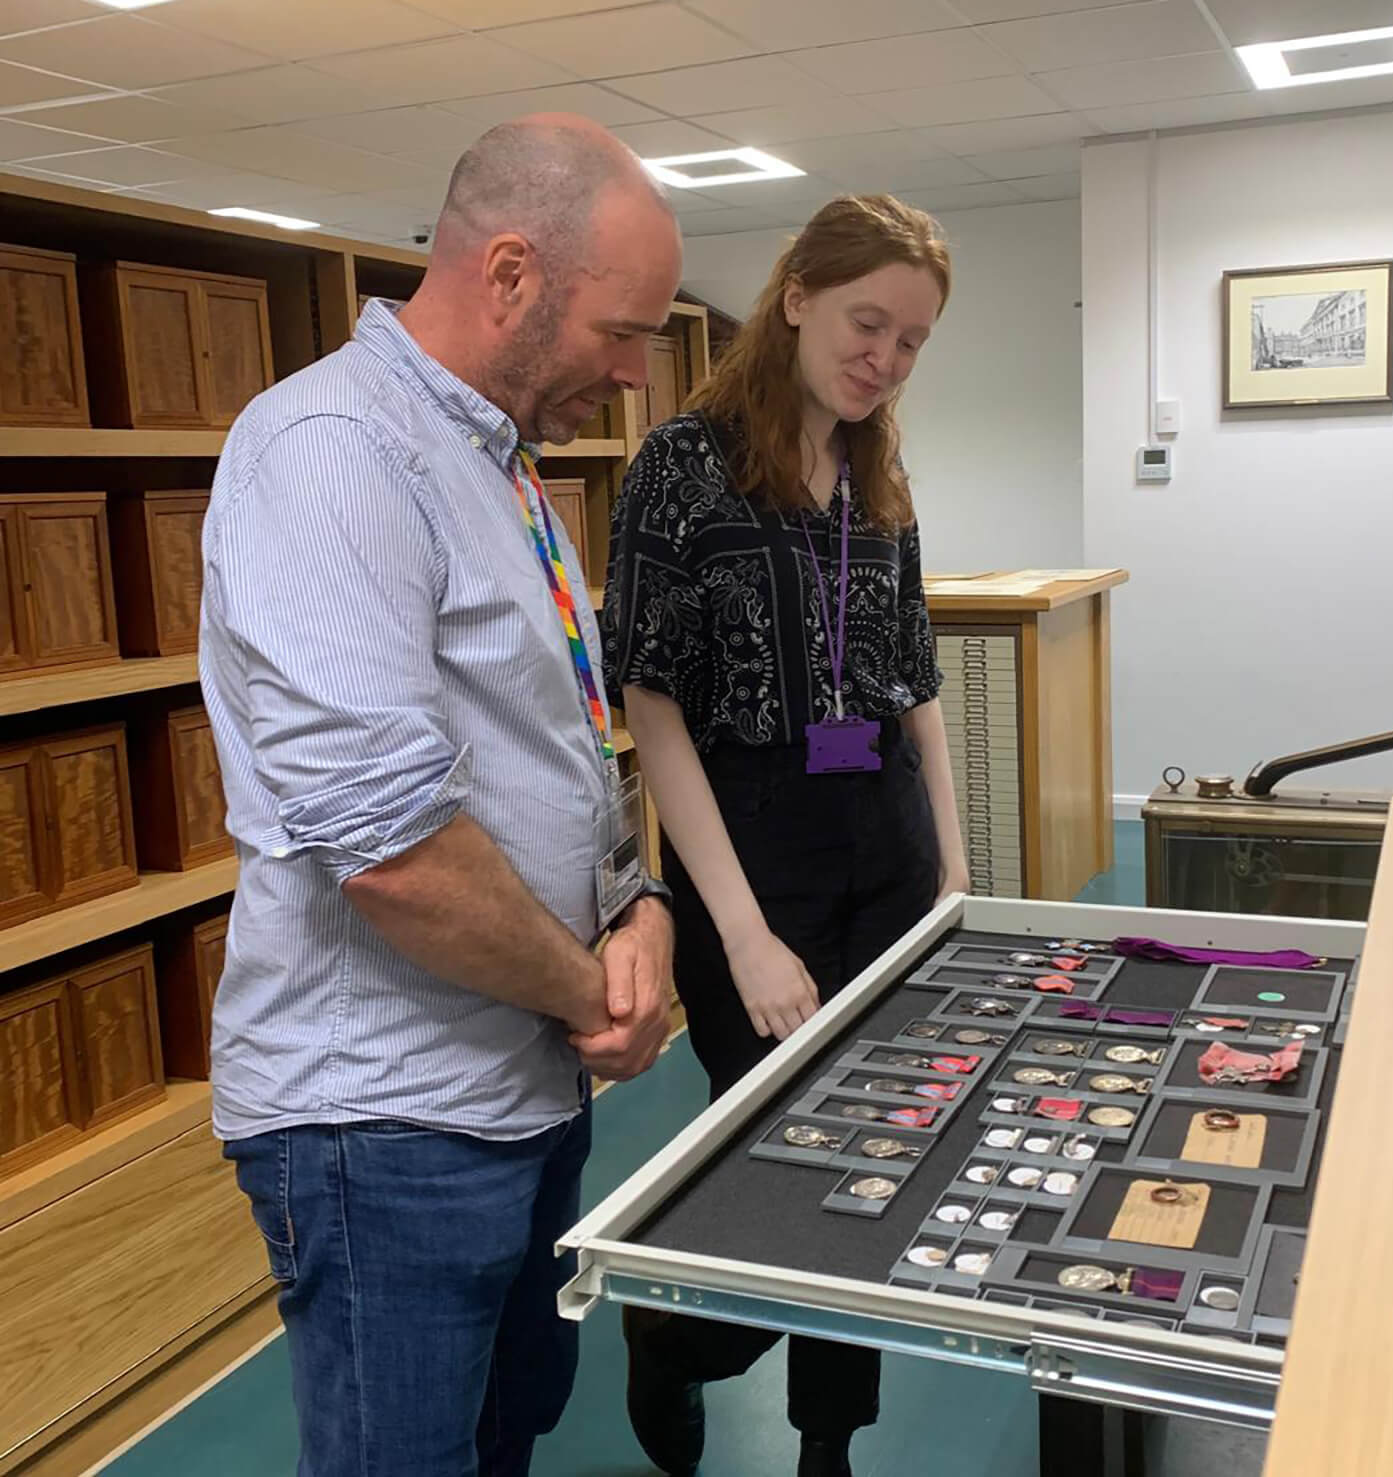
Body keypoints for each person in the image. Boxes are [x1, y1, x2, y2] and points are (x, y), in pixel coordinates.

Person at [199, 115, 682, 1477]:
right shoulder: (333, 453)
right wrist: (595, 994)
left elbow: (563, 742)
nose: (640, 377)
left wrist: (637, 907)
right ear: (513, 274)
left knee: (502, 1434)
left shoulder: (497, 465)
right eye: (625, 331)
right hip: (386, 1126)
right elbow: (392, 850)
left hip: (516, 1085)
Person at [601, 194, 969, 1477]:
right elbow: (655, 709)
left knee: (880, 1147)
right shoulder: (682, 463)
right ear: (798, 295)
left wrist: (954, 855)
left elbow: (911, 669)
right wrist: (744, 934)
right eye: (869, 321)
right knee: (777, 1153)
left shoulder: (877, 466)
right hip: (747, 843)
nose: (885, 356)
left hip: (882, 828)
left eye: (912, 340)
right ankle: (680, 1327)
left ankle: (827, 1445)